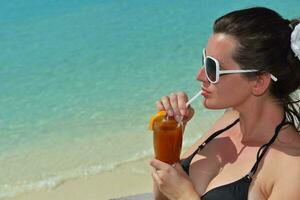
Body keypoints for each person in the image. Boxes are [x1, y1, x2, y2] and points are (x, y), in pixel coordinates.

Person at [150, 7, 300, 200]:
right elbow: (162, 196)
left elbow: (178, 194)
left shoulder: (292, 166)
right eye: (204, 60)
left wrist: (184, 196)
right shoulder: (226, 122)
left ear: (259, 81)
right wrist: (168, 132)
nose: (200, 76)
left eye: (213, 67)